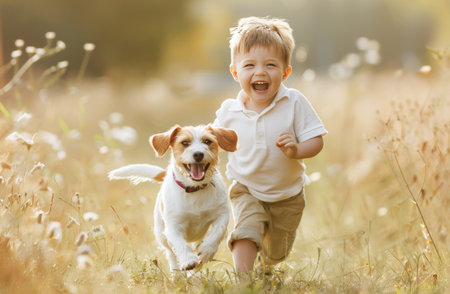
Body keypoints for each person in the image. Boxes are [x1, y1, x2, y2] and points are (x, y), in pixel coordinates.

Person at [214, 16, 327, 273]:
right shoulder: (229, 111)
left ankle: (266, 268)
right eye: (250, 65)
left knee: (277, 251)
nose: (260, 72)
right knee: (245, 231)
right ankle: (243, 282)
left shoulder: (294, 102)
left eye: (271, 65)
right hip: (246, 189)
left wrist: (297, 149)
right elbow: (214, 142)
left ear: (286, 72)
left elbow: (317, 140)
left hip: (287, 196)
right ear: (235, 72)